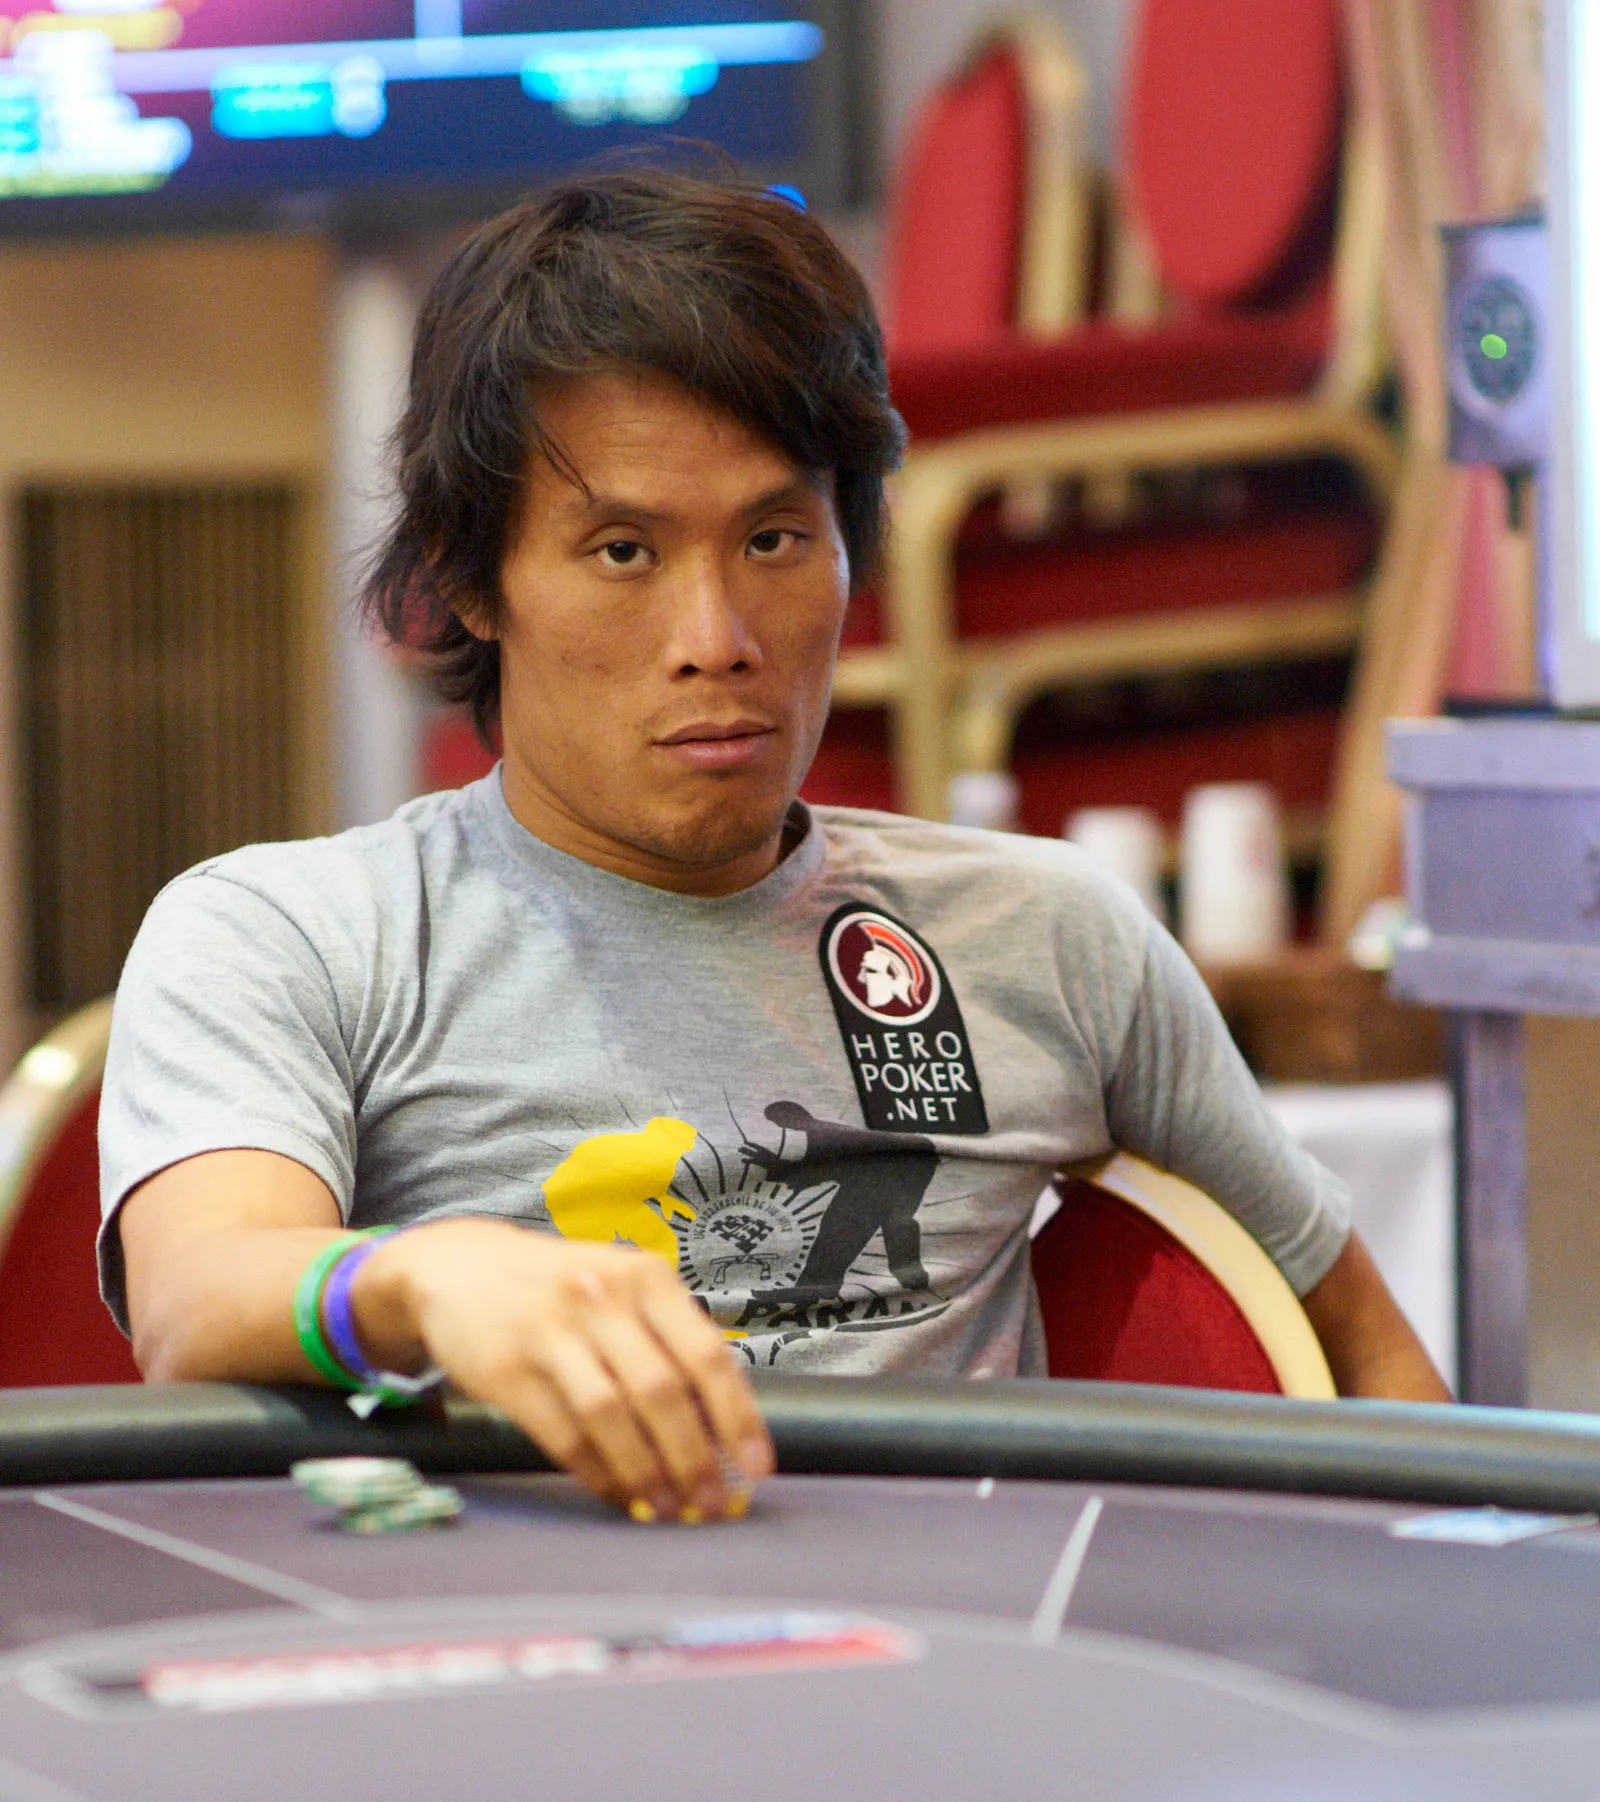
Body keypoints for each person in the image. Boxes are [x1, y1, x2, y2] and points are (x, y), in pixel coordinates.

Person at [101, 167, 1448, 1529]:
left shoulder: (1046, 935)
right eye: (623, 552)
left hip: (955, 1643)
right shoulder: (296, 933)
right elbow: (195, 1297)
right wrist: (414, 1278)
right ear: (468, 578)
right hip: (516, 1640)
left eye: (773, 538)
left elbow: (1357, 1343)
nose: (718, 638)